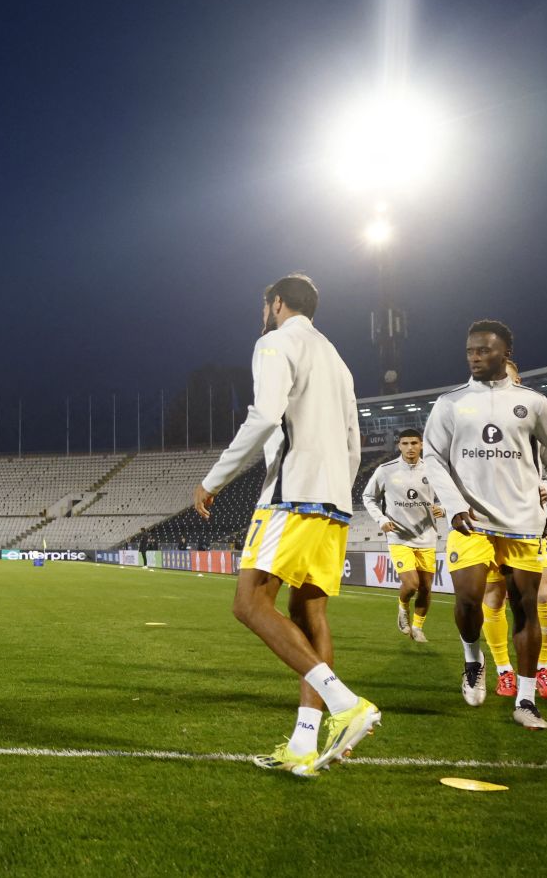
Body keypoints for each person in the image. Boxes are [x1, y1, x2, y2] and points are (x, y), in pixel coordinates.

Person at [192, 273, 378, 779]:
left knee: (250, 604)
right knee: (308, 612)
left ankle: (347, 706)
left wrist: (213, 480)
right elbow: (353, 439)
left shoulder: (274, 343)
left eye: (265, 304)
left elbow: (264, 416)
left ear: (276, 304)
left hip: (292, 496)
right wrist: (338, 489)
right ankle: (302, 743)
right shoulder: (337, 359)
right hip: (334, 499)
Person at [424, 321, 547, 730]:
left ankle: (526, 700)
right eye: (470, 350)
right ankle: (474, 660)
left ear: (505, 353)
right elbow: (434, 457)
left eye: (484, 350)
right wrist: (452, 504)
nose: (474, 356)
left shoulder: (533, 403)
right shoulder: (450, 403)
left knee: (527, 607)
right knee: (469, 599)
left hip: (523, 523)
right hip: (470, 522)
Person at [477, 358, 547, 700]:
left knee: (541, 592)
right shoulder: (474, 422)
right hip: (489, 523)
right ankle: (504, 671)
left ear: (518, 380)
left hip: (531, 519)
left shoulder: (537, 414)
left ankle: (540, 668)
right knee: (494, 596)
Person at [360, 429, 444, 642]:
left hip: (427, 536)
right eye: (405, 443)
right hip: (399, 537)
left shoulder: (433, 470)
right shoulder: (385, 470)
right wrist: (381, 519)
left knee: (425, 588)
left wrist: (442, 509)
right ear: (399, 446)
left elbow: (448, 496)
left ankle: (417, 627)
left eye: (414, 443)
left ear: (421, 445)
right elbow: (368, 497)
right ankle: (403, 608)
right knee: (411, 584)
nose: (410, 448)